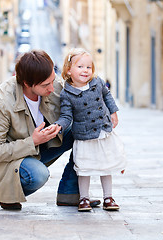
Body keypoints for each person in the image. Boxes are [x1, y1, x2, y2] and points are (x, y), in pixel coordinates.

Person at [0, 50, 100, 210]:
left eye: (53, 80)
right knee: (38, 174)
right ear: (26, 83)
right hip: (13, 162)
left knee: (83, 129)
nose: (53, 88)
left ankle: (70, 192)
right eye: (46, 85)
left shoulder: (54, 86)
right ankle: (9, 194)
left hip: (42, 147)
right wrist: (33, 141)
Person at [53, 48, 127, 212]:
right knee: (84, 168)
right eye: (80, 67)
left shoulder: (98, 82)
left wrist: (113, 112)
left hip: (103, 131)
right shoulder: (67, 93)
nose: (85, 70)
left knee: (106, 166)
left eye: (88, 67)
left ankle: (108, 197)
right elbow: (66, 116)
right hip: (84, 136)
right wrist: (59, 126)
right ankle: (83, 198)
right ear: (68, 70)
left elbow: (107, 95)